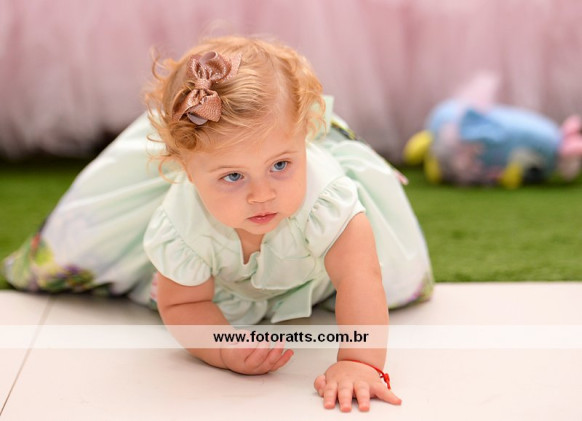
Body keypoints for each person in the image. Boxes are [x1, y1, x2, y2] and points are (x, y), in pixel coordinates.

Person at [2, 35, 433, 411]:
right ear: (186, 171)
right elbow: (183, 305)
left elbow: (359, 278)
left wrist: (359, 362)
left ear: (303, 138)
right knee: (169, 287)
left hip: (314, 278)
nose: (262, 194)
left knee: (377, 274)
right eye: (233, 176)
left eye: (281, 165)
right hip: (231, 289)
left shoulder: (326, 200)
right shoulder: (184, 223)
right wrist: (225, 348)